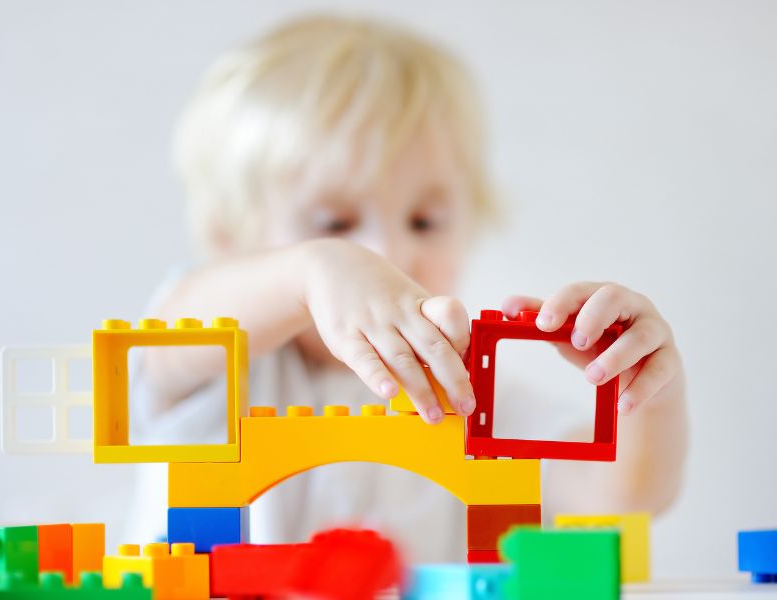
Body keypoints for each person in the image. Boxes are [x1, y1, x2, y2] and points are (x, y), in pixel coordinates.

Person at [126, 14, 688, 562]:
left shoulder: (475, 395)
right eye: (334, 225)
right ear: (231, 242)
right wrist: (312, 272)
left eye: (423, 222)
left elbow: (622, 497)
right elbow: (169, 339)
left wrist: (640, 393)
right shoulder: (228, 374)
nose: (389, 254)